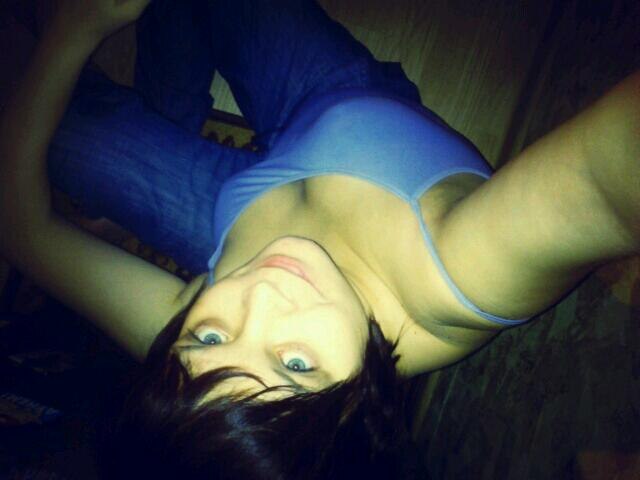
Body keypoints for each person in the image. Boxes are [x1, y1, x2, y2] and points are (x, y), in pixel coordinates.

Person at [0, 0, 638, 477]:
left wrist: (72, 31)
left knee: (52, 131)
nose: (259, 296)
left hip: (232, 200)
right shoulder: (454, 277)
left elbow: (22, 231)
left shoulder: (194, 379)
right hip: (343, 99)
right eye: (296, 366)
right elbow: (606, 183)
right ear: (355, 407)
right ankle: (161, 118)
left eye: (210, 337)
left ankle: (162, 116)